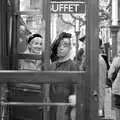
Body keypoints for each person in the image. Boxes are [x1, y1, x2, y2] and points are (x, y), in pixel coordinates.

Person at [9, 33, 44, 120]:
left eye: (40, 44)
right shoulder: (21, 59)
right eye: (36, 43)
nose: (39, 46)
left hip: (38, 98)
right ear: (29, 45)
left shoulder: (45, 59)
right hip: (24, 96)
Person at [49, 32, 78, 120]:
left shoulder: (73, 66)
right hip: (51, 106)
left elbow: (77, 87)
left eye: (65, 45)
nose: (61, 48)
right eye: (59, 45)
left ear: (70, 48)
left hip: (65, 107)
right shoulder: (52, 66)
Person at [108, 55, 120, 120]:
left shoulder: (117, 60)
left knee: (118, 106)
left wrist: (113, 82)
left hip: (118, 89)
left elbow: (110, 75)